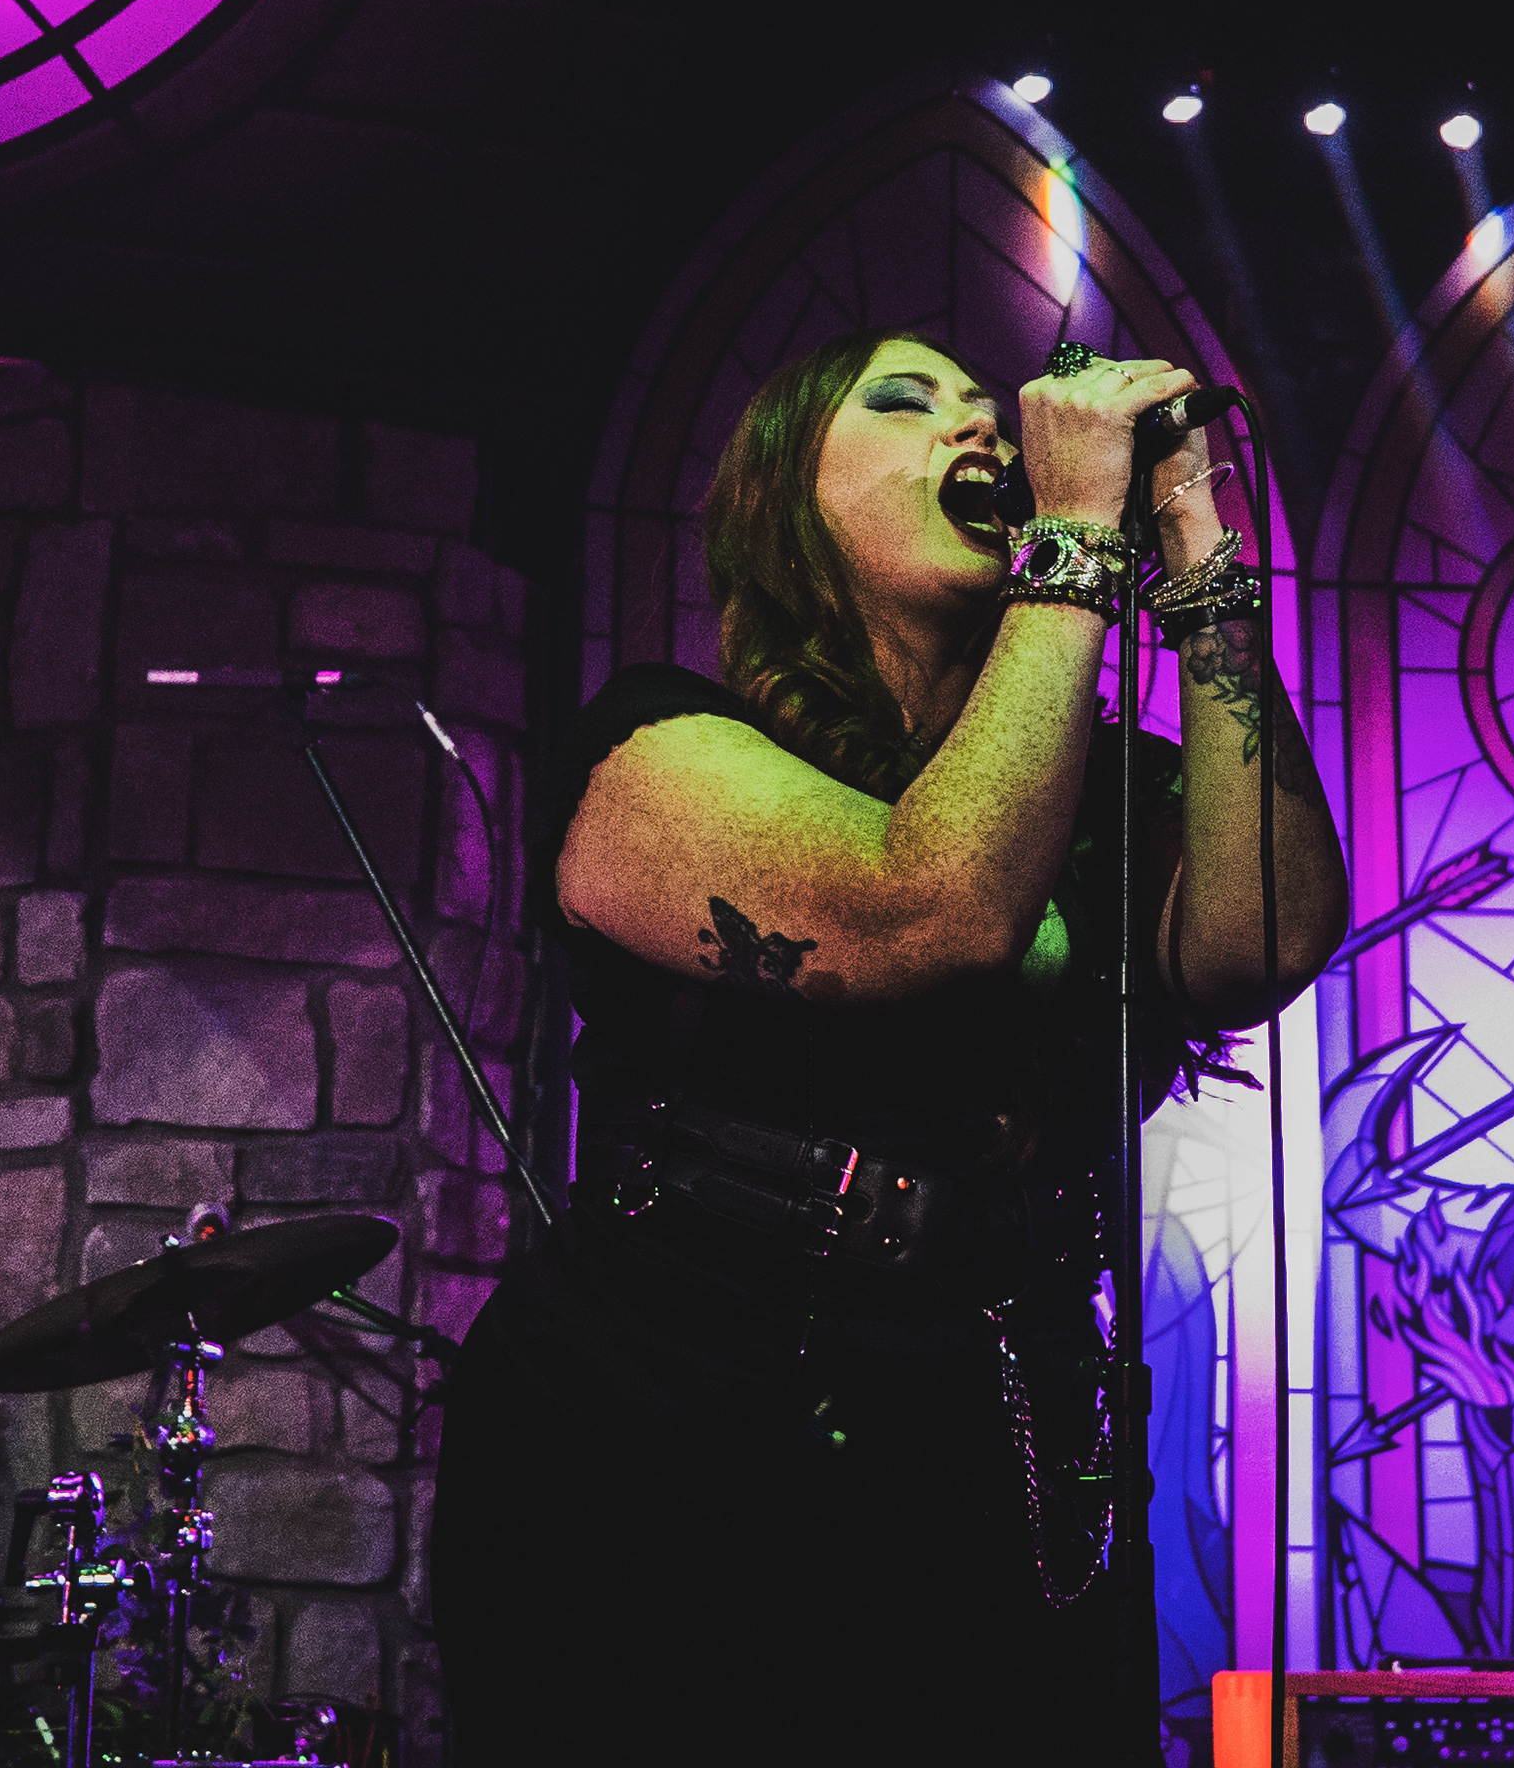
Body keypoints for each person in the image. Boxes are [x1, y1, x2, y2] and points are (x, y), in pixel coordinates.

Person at [433, 329, 1346, 1767]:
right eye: (909, 403)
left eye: (992, 411)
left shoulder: (1114, 788)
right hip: (679, 1390)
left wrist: (1195, 547)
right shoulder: (666, 745)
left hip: (1001, 1398)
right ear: (784, 502)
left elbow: (1266, 942)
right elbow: (930, 911)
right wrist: (1071, 542)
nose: (980, 429)